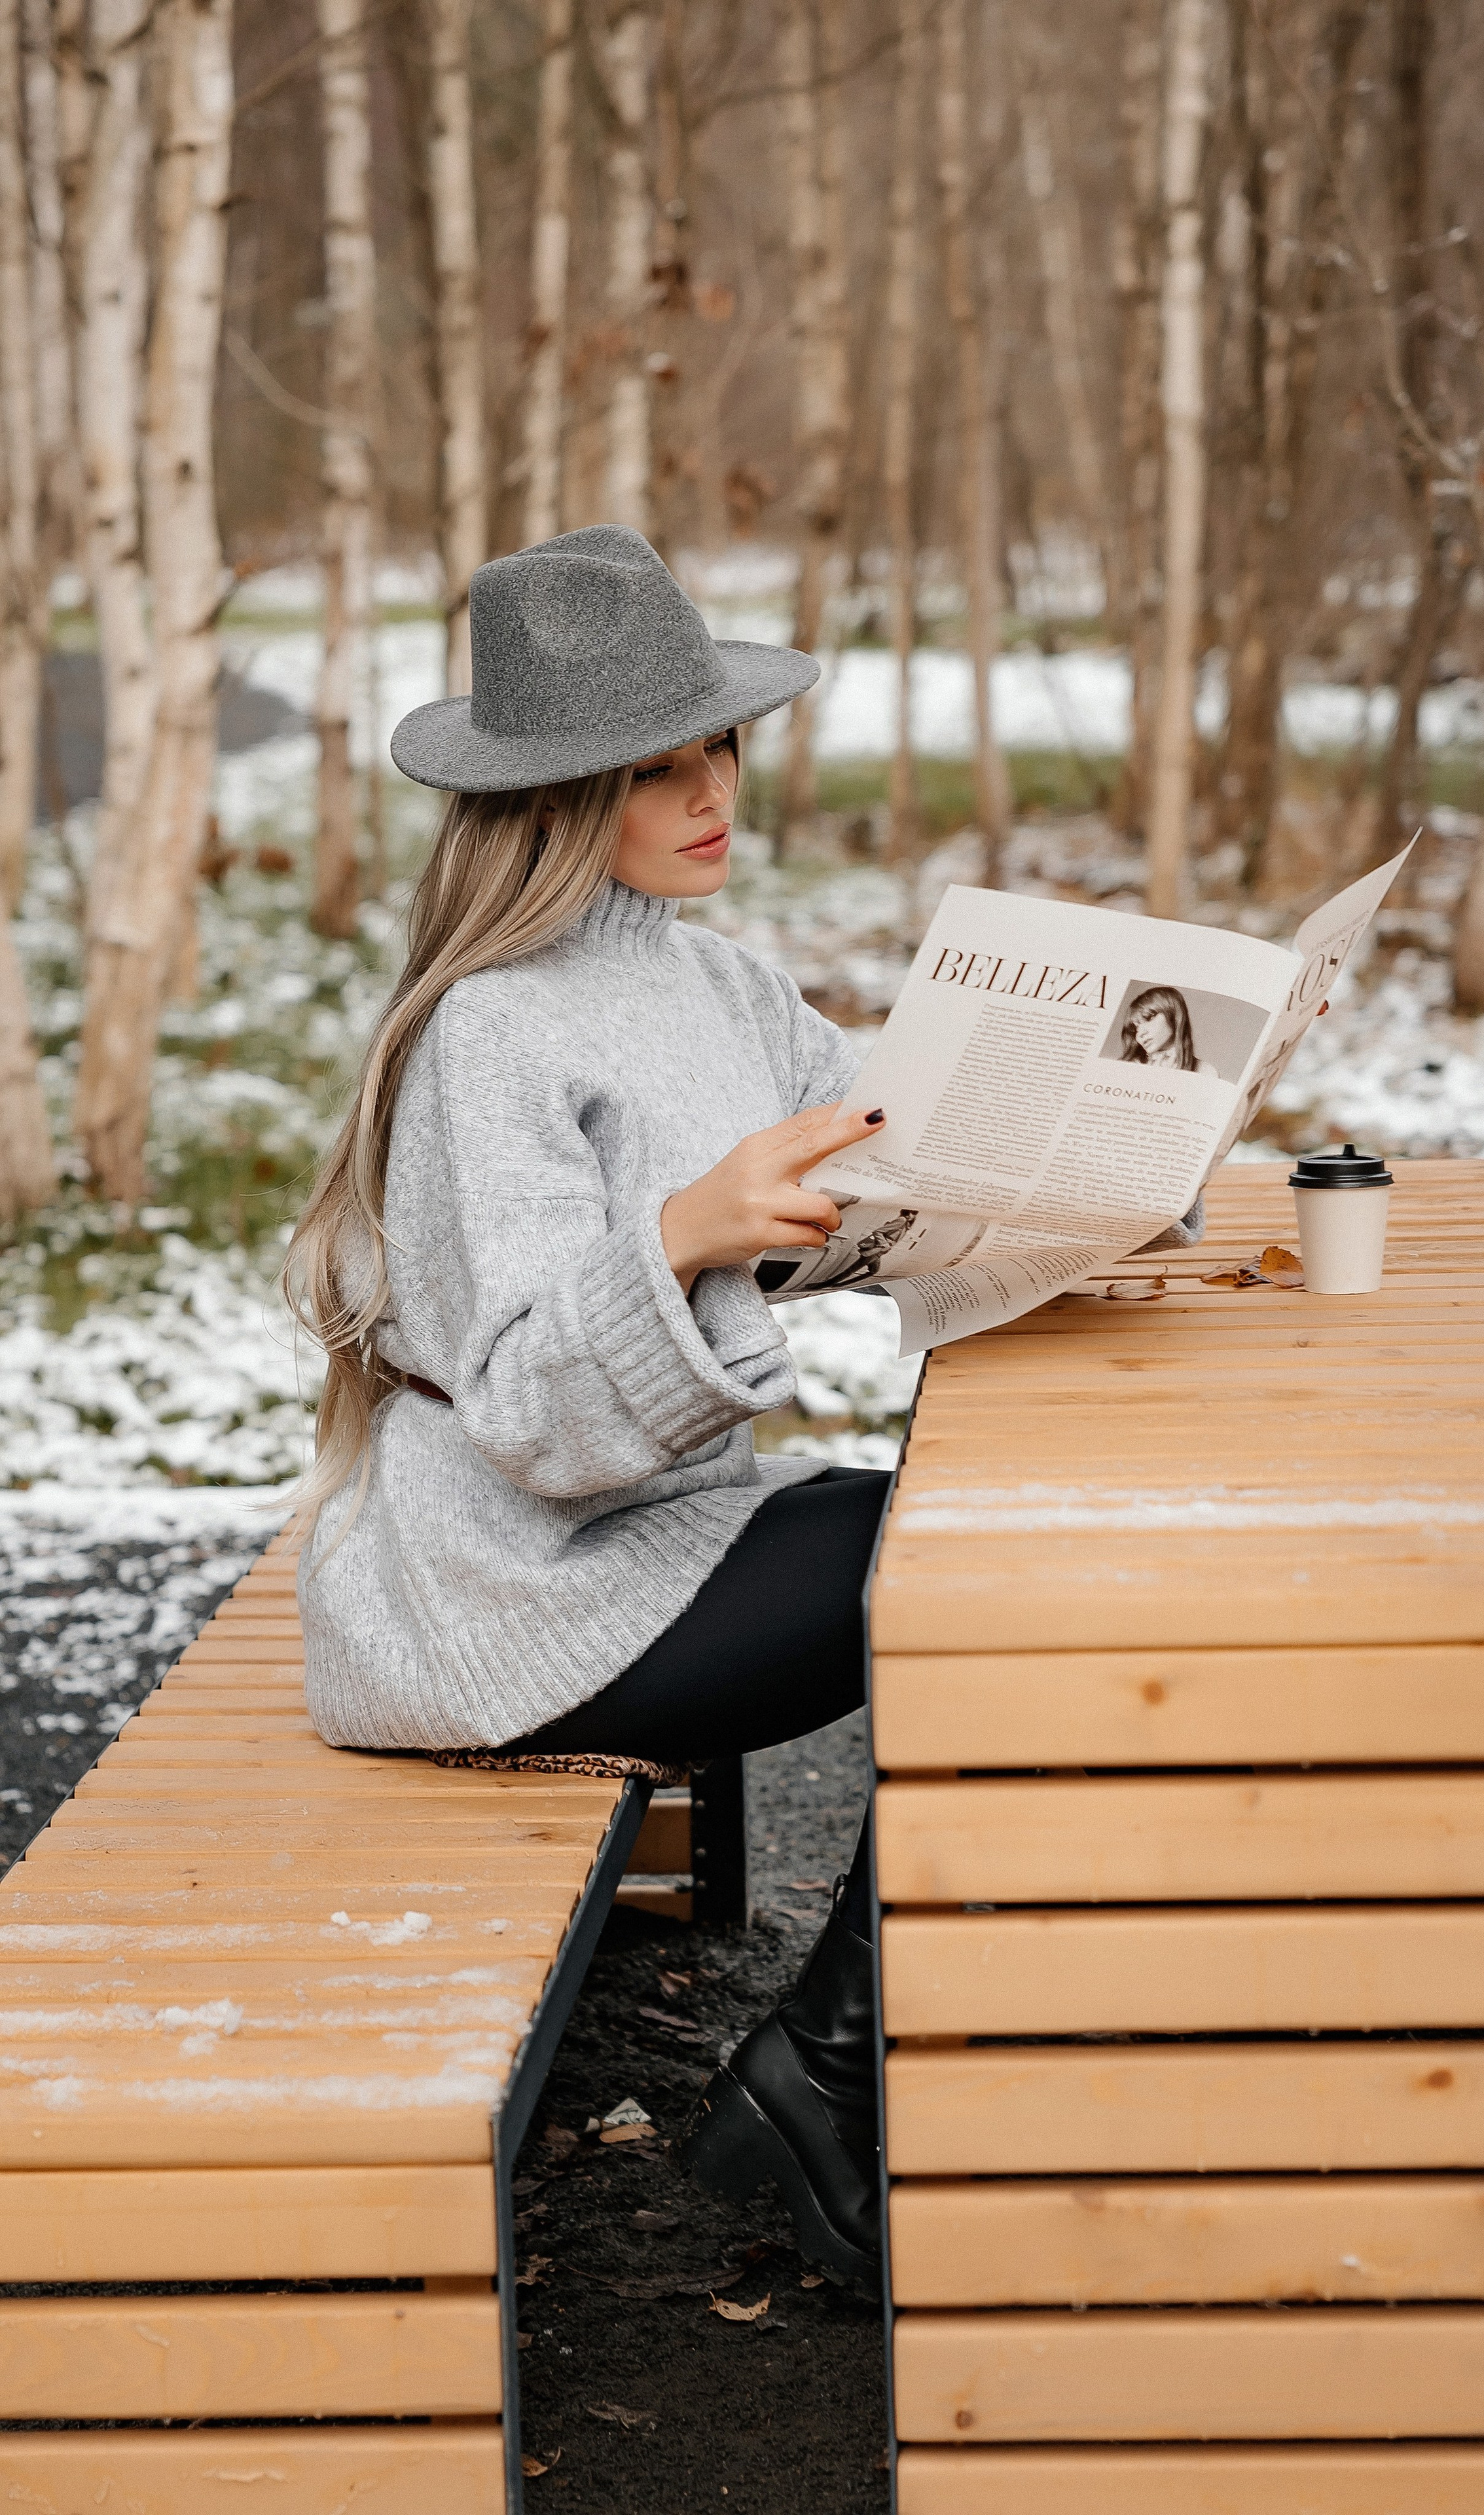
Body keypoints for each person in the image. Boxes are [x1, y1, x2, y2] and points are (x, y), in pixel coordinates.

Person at [283, 526, 890, 2291]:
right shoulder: (489, 1032)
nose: (714, 793)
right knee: (957, 1586)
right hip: (505, 1601)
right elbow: (534, 1421)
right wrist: (684, 1231)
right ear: (552, 798)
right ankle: (828, 2076)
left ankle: (843, 2062)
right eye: (655, 767)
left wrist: (1098, 1128)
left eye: (721, 746)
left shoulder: (716, 979)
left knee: (963, 1552)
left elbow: (888, 1139)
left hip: (660, 1542)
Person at [1117, 983, 1215, 1076]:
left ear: (1174, 1015)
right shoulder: (1127, 1067)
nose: (1140, 1035)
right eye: (1136, 1028)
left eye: (1149, 1018)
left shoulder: (1206, 1072)